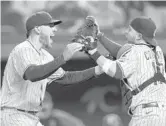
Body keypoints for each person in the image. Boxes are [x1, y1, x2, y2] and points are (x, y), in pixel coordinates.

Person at [0, 11, 103, 126]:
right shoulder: (23, 49)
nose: (54, 30)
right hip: (14, 115)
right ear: (38, 29)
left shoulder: (45, 56)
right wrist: (63, 58)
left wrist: (98, 69)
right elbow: (32, 74)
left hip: (30, 117)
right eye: (50, 26)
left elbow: (66, 77)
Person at [86, 16, 166, 126]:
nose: (125, 31)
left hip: (147, 114)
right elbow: (122, 52)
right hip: (160, 113)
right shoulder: (156, 49)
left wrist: (93, 52)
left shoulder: (136, 52)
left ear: (139, 36)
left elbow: (115, 70)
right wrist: (99, 36)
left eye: (129, 30)